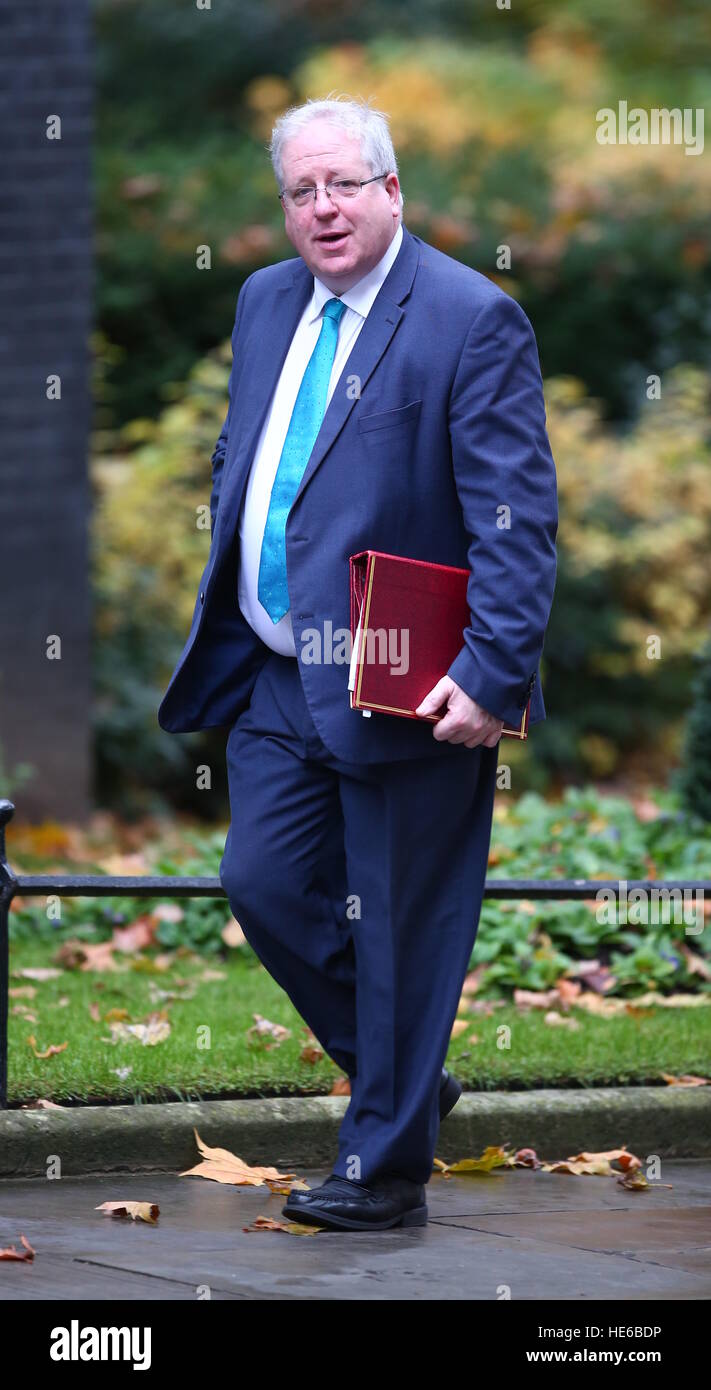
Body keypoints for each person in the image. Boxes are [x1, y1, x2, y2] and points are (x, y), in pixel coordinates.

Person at [158, 96, 558, 1231]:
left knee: (399, 923)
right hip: (280, 666)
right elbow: (257, 453)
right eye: (301, 191)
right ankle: (410, 1089)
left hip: (408, 674)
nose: (323, 209)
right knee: (264, 885)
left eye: (345, 185)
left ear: (393, 190)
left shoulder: (472, 319)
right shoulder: (267, 298)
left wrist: (491, 669)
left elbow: (517, 516)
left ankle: (383, 1172)